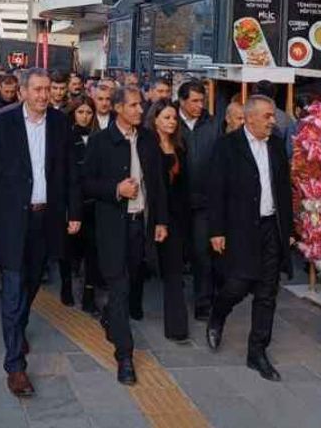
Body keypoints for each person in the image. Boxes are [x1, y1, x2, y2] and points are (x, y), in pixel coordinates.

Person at [0, 68, 82, 397]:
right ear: (22, 92)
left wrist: (74, 212)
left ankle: (17, 327)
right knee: (12, 286)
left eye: (47, 89)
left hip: (45, 219)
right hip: (10, 220)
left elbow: (70, 172)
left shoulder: (61, 123)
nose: (42, 95)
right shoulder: (2, 123)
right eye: (36, 89)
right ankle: (15, 366)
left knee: (32, 282)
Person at [82, 85, 168, 385]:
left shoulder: (147, 140)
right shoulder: (100, 141)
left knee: (130, 284)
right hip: (112, 226)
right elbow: (85, 184)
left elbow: (157, 184)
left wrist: (160, 221)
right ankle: (125, 355)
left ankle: (110, 316)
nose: (139, 110)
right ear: (118, 108)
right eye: (132, 105)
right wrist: (115, 190)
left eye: (140, 105)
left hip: (140, 225)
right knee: (118, 286)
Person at [206, 95, 293, 382]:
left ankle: (257, 352)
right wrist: (216, 230)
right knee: (238, 284)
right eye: (268, 116)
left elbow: (283, 191)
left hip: (271, 228)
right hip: (240, 228)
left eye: (273, 116)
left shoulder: (278, 145)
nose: (273, 121)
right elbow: (215, 190)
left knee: (268, 291)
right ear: (250, 117)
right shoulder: (228, 146)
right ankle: (218, 314)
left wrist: (288, 231)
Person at [145, 99, 190, 343]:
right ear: (155, 120)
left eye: (174, 118)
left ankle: (177, 327)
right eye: (166, 118)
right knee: (137, 267)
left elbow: (185, 185)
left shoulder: (181, 147)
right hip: (149, 215)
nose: (172, 122)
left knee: (174, 272)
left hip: (176, 217)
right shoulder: (146, 146)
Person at [177, 80, 221, 321]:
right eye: (193, 101)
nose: (198, 105)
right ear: (182, 101)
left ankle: (203, 301)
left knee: (202, 252)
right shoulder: (171, 122)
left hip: (204, 201)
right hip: (178, 200)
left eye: (201, 101)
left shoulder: (213, 124)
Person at [63, 95, 101, 313]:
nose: (85, 116)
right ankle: (67, 286)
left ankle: (89, 294)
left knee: (93, 251)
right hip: (72, 201)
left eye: (88, 112)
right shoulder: (66, 137)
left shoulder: (98, 137)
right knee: (70, 248)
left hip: (94, 203)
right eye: (80, 112)